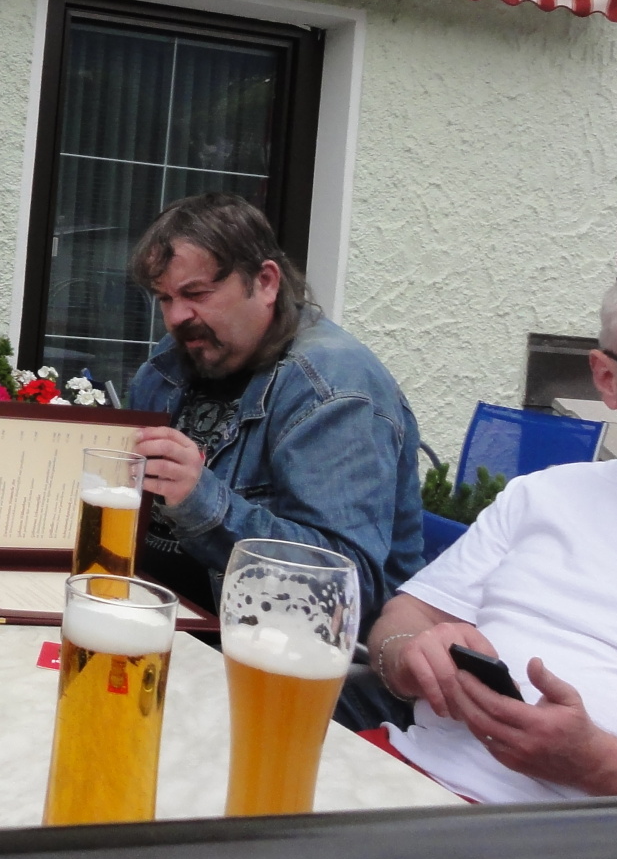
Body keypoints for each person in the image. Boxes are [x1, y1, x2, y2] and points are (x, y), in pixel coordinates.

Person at [366, 260, 617, 802]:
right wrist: (411, 656)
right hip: (397, 776)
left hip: (610, 835)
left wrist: (607, 764)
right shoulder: (544, 494)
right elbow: (408, 617)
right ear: (607, 378)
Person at [126, 194, 425, 628]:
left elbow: (343, 585)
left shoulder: (334, 388)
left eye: (195, 293)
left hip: (261, 649)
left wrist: (201, 500)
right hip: (151, 617)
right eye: (164, 298)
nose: (177, 317)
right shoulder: (171, 362)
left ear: (265, 282)